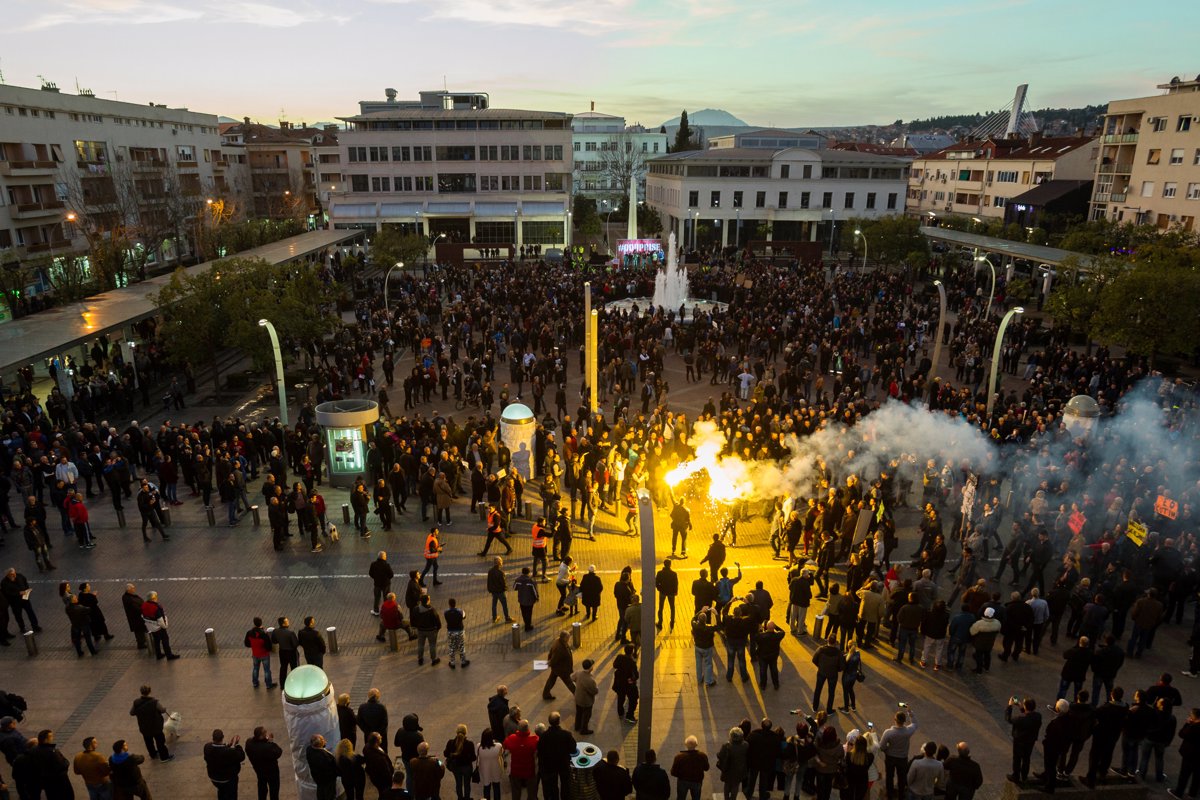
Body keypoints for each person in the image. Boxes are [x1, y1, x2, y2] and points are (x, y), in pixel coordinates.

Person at [878, 707, 918, 800]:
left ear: (895, 720)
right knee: (902, 777)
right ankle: (901, 795)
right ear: (904, 721)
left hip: (890, 757)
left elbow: (881, 747)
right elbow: (915, 723)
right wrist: (909, 711)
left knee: (889, 777)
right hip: (902, 758)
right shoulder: (908, 731)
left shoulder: (888, 733)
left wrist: (887, 750)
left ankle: (890, 795)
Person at [536, 712, 576, 800]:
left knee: (552, 785)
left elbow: (540, 750)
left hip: (550, 765)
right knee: (565, 784)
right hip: (564, 764)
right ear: (559, 721)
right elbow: (573, 749)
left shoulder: (543, 736)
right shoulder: (566, 734)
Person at [129, 686, 172, 762]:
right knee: (160, 742)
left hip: (144, 727)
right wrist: (164, 709)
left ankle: (153, 754)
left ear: (141, 692)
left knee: (148, 742)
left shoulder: (136, 702)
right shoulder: (154, 702)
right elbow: (162, 710)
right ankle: (164, 757)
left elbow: (132, 713)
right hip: (156, 726)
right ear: (149, 692)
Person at [1005, 697, 1041, 783]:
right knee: (1026, 759)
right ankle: (1024, 776)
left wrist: (1010, 706)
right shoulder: (1038, 716)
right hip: (1030, 741)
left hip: (1019, 742)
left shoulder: (1019, 719)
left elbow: (1008, 719)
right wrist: (1021, 706)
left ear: (1025, 707)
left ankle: (1016, 776)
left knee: (1017, 759)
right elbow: (1029, 715)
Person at [1040, 700, 1073, 793]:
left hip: (1052, 747)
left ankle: (1049, 787)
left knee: (1050, 765)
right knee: (1051, 765)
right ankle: (1045, 775)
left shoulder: (1057, 722)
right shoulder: (1069, 719)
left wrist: (1045, 743)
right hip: (1060, 747)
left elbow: (1049, 734)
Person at [203, 730, 245, 800]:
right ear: (223, 737)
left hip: (213, 777)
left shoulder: (207, 747)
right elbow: (241, 756)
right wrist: (236, 744)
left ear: (213, 738)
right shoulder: (229, 752)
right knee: (232, 795)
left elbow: (220, 748)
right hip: (227, 779)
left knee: (221, 791)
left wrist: (229, 745)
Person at [745, 719, 781, 800]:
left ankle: (749, 794)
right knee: (764, 781)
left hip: (754, 762)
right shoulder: (775, 737)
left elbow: (747, 747)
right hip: (766, 763)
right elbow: (777, 752)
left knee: (752, 780)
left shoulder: (753, 734)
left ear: (761, 725)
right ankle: (762, 795)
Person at [503, 720, 539, 800]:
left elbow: (504, 746)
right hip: (530, 770)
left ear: (518, 729)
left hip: (515, 770)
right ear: (527, 728)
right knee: (532, 791)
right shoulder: (534, 740)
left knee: (515, 792)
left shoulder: (511, 739)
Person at [1170, 706, 1200, 800]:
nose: (1189, 716)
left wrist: (1187, 724)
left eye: (1191, 715)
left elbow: (1182, 734)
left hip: (1190, 755)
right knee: (1197, 776)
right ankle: (1192, 793)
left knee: (1184, 775)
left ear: (1195, 717)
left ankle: (1179, 793)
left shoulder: (1193, 727)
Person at [139, 592, 179, 661]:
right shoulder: (156, 607)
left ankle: (158, 654)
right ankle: (169, 655)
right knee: (165, 641)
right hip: (159, 628)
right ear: (153, 598)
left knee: (156, 641)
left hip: (151, 627)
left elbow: (142, 615)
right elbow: (160, 620)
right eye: (156, 597)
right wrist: (165, 626)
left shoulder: (144, 605)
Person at [245, 727, 282, 800]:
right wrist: (271, 742)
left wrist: (266, 740)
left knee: (262, 789)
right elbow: (278, 752)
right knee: (274, 790)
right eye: (265, 732)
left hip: (259, 771)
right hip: (272, 772)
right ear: (261, 736)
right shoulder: (267, 748)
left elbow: (257, 743)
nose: (266, 733)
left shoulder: (249, 743)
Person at [811, 635, 843, 715]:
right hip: (833, 674)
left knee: (818, 689)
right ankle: (829, 710)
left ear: (827, 640)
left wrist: (820, 666)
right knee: (831, 692)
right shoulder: (838, 652)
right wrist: (836, 669)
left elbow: (814, 659)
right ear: (835, 642)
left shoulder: (821, 649)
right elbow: (841, 666)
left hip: (821, 672)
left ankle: (815, 707)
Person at [442, 725, 476, 800]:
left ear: (456, 732)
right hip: (467, 767)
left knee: (458, 783)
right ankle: (467, 798)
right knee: (467, 784)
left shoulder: (450, 742)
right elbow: (473, 758)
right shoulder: (469, 744)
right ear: (465, 732)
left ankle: (460, 798)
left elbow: (445, 754)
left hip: (456, 767)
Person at [1, 569, 40, 634]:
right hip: (15, 602)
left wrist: (27, 590)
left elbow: (25, 583)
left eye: (14, 574)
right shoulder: (4, 582)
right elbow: (7, 593)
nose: (13, 575)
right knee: (18, 615)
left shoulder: (20, 576)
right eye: (11, 575)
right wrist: (18, 593)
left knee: (30, 612)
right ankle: (22, 628)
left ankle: (35, 626)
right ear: (7, 575)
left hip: (25, 599)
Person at [73, 736, 111, 800]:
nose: (97, 743)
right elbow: (106, 771)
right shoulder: (98, 757)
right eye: (95, 742)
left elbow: (76, 771)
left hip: (88, 783)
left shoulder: (78, 756)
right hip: (102, 783)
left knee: (93, 797)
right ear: (92, 744)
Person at [715, 728, 748, 800]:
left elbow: (720, 755)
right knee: (735, 786)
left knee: (727, 785)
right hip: (739, 770)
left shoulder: (726, 746)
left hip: (728, 769)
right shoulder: (745, 745)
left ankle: (726, 798)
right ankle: (733, 798)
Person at [244, 618, 276, 690]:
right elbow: (269, 647)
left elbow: (247, 643)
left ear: (254, 623)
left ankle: (255, 683)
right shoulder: (264, 634)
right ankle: (268, 684)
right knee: (267, 670)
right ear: (261, 623)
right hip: (264, 654)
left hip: (255, 654)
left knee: (255, 668)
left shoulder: (249, 633)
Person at [543, 631, 576, 700]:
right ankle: (577, 695)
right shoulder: (560, 648)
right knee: (569, 682)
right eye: (568, 637)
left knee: (551, 680)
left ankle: (546, 694)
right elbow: (554, 659)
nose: (569, 638)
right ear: (564, 638)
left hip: (557, 668)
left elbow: (551, 652)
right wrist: (550, 663)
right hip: (562, 669)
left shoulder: (558, 641)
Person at [691, 607, 719, 688]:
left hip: (698, 647)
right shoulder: (709, 628)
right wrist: (716, 614)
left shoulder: (695, 625)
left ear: (699, 620)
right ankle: (708, 681)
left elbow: (692, 619)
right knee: (708, 664)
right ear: (706, 620)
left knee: (698, 663)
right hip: (707, 648)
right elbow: (719, 626)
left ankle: (699, 679)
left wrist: (700, 611)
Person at [412, 595, 442, 666]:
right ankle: (433, 659)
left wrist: (417, 626)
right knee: (432, 645)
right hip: (431, 631)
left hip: (420, 630)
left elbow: (413, 619)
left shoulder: (416, 609)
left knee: (420, 644)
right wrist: (438, 628)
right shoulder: (431, 610)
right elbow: (437, 620)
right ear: (428, 600)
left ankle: (420, 659)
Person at [306, 735, 339, 800]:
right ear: (320, 744)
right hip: (328, 780)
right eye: (323, 740)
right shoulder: (326, 757)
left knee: (320, 794)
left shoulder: (309, 749)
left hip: (318, 779)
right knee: (330, 796)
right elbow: (333, 769)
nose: (325, 741)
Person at [755, 621, 785, 690]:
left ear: (766, 627)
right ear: (773, 628)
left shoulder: (761, 636)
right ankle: (776, 684)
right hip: (773, 656)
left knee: (763, 671)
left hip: (763, 656)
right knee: (774, 670)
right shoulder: (777, 636)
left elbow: (756, 637)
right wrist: (776, 627)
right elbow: (782, 632)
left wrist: (760, 630)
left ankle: (763, 685)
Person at [475, 729, 505, 800]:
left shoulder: (479, 747)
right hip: (496, 769)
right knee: (496, 786)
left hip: (484, 770)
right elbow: (501, 753)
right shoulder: (498, 746)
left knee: (486, 787)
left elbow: (477, 755)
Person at [613, 645, 639, 723]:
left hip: (619, 683)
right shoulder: (632, 662)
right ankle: (629, 715)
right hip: (629, 685)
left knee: (621, 698)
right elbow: (636, 675)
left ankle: (620, 712)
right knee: (633, 699)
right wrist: (632, 679)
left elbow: (615, 665)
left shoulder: (619, 657)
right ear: (631, 652)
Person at [572, 659, 599, 735]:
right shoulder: (590, 680)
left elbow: (572, 677)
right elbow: (595, 691)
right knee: (586, 715)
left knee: (579, 713)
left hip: (578, 698)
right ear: (590, 668)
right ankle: (584, 729)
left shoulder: (578, 673)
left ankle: (577, 726)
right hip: (586, 701)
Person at [271, 617, 300, 688]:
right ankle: (296, 683)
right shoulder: (290, 633)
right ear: (283, 624)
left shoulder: (275, 631)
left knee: (283, 668)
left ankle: (282, 684)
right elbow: (295, 644)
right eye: (287, 621)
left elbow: (274, 641)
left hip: (282, 652)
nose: (288, 622)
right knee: (294, 668)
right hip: (291, 652)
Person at [364, 734, 393, 799]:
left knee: (381, 791)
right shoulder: (379, 758)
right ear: (376, 742)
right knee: (384, 793)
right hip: (382, 779)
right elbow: (386, 771)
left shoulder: (366, 747)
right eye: (380, 738)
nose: (381, 737)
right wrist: (390, 777)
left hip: (374, 776)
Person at [487, 558, 515, 624]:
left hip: (493, 591)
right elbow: (503, 583)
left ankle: (494, 617)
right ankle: (507, 618)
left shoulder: (490, 571)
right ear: (500, 563)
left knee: (494, 604)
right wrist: (505, 588)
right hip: (500, 591)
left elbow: (489, 581)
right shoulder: (501, 573)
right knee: (504, 605)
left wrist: (490, 589)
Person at [655, 560, 679, 631]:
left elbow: (656, 583)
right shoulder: (674, 574)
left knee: (661, 607)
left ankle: (660, 622)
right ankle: (672, 621)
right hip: (671, 593)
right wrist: (675, 592)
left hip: (662, 592)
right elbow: (676, 583)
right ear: (670, 565)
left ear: (664, 564)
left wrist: (659, 589)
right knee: (672, 607)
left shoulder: (660, 573)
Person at [515, 567, 538, 632]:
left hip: (521, 599)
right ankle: (528, 625)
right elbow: (534, 591)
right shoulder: (531, 580)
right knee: (529, 612)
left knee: (524, 612)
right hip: (530, 600)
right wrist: (536, 597)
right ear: (528, 572)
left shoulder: (518, 579)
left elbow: (514, 588)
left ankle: (526, 623)